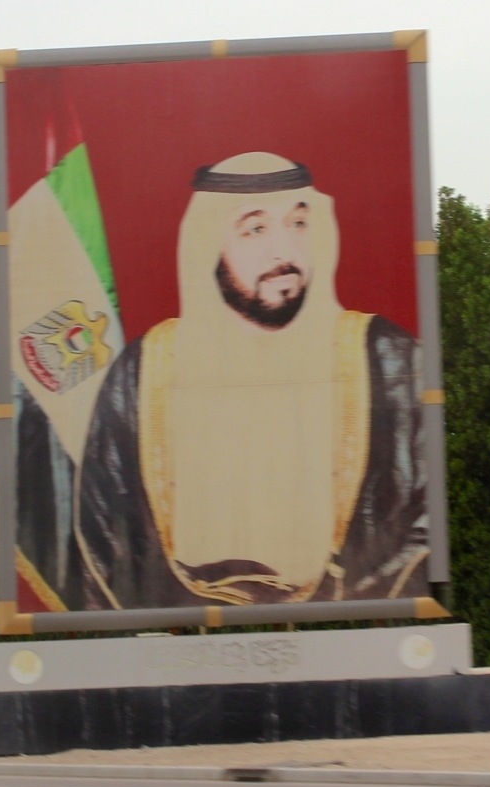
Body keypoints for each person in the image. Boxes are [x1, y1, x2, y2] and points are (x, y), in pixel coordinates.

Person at [73, 151, 428, 610]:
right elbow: (105, 539)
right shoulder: (145, 373)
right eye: (255, 229)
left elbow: (421, 531)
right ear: (208, 247)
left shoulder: (387, 359)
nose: (285, 251)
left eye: (297, 224)